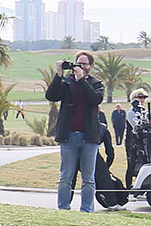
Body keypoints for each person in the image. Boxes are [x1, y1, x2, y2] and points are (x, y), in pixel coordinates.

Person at [45, 51, 107, 212]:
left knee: (88, 179)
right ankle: (63, 209)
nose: (80, 66)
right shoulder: (66, 82)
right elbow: (51, 95)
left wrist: (82, 81)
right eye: (78, 63)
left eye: (84, 64)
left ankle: (87, 210)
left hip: (89, 137)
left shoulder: (96, 84)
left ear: (91, 67)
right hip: (69, 136)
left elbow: (95, 99)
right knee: (65, 177)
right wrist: (58, 75)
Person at [110, 87, 151, 186]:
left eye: (144, 97)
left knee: (143, 164)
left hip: (142, 142)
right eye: (140, 97)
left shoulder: (144, 112)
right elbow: (137, 127)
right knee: (131, 165)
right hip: (131, 142)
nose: (142, 100)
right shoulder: (131, 112)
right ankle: (129, 187)